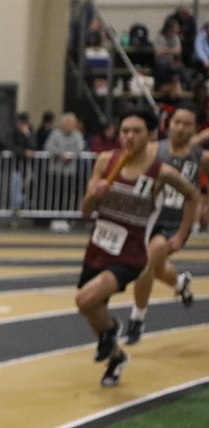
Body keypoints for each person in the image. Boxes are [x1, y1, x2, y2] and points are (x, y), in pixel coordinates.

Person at [76, 107, 199, 389]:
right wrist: (93, 195)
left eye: (137, 131)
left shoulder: (161, 172)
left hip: (130, 253)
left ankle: (123, 326)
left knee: (84, 300)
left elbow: (192, 196)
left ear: (151, 135)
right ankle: (116, 357)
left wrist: (181, 236)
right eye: (125, 131)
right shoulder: (106, 161)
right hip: (99, 247)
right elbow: (86, 211)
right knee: (93, 311)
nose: (129, 136)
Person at [126, 103, 207, 344]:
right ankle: (181, 283)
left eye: (187, 124)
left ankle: (137, 318)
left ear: (195, 128)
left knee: (148, 260)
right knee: (157, 268)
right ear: (168, 124)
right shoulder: (153, 150)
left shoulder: (200, 157)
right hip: (148, 217)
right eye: (177, 122)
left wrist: (183, 232)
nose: (180, 128)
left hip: (175, 221)